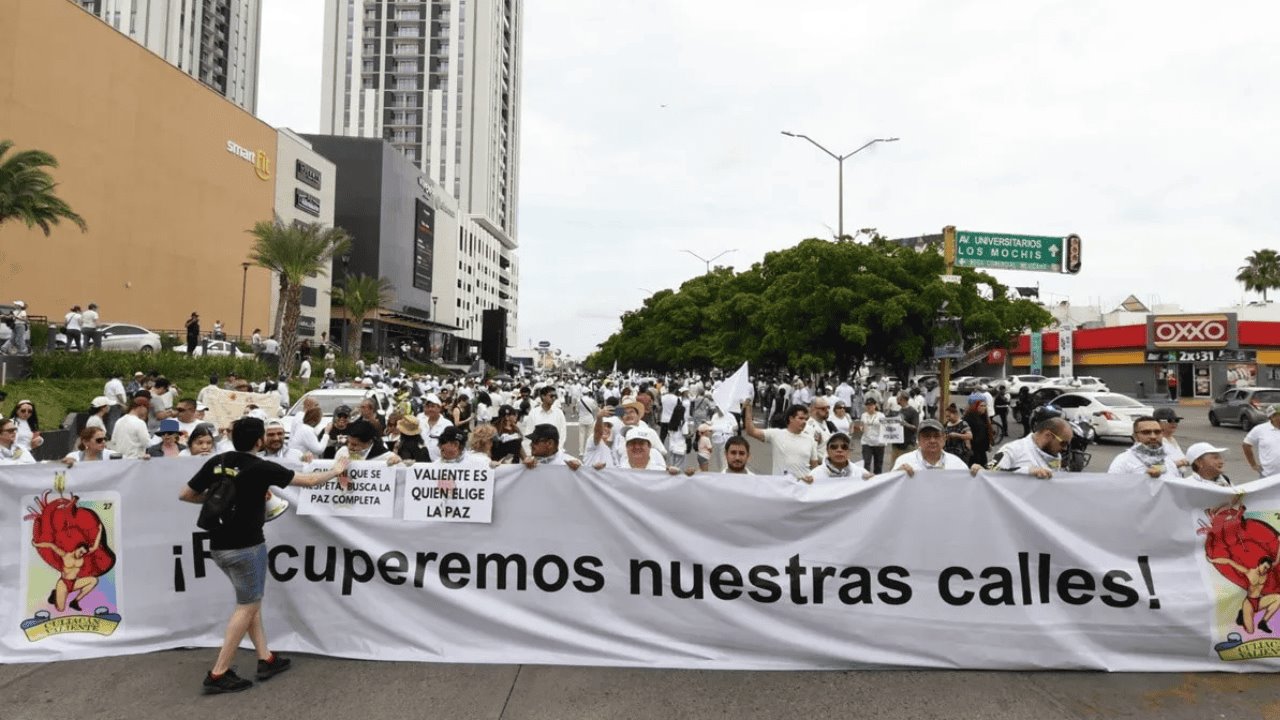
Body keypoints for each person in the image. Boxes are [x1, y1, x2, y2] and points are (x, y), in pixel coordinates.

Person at [179, 417, 351, 694]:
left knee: (250, 601)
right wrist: (337, 469)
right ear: (259, 441)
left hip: (218, 546)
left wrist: (215, 498)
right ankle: (219, 672)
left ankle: (266, 658)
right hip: (247, 547)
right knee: (247, 606)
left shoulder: (218, 461)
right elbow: (308, 480)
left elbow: (186, 494)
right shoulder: (261, 467)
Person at [32, 524, 104, 612]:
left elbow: (95, 547)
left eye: (83, 553)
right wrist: (36, 544)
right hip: (63, 583)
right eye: (81, 552)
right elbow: (51, 546)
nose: (81, 554)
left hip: (74, 583)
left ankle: (75, 601)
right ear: (77, 548)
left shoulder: (81, 556)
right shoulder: (65, 555)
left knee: (94, 580)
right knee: (60, 609)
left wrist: (100, 531)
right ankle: (55, 593)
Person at [740, 401, 820, 479]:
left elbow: (815, 468)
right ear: (791, 418)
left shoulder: (810, 440)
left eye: (806, 419)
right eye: (801, 418)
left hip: (802, 487)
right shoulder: (776, 434)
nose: (804, 422)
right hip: (780, 486)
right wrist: (748, 409)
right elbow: (751, 431)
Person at [1207, 555, 1279, 635]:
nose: (1265, 570)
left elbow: (1276, 561)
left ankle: (1263, 622)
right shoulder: (1249, 572)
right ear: (1259, 564)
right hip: (1249, 603)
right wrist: (1212, 561)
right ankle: (1242, 614)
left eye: (1268, 569)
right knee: (1250, 631)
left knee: (1278, 598)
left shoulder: (1266, 573)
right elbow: (1229, 562)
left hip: (1259, 601)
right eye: (1265, 567)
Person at [989, 415, 1074, 478]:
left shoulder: (1055, 455)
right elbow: (990, 473)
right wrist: (1027, 471)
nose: (1065, 448)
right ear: (1048, 435)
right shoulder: (1011, 449)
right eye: (1063, 443)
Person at [893, 419, 977, 476]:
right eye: (927, 436)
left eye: (937, 436)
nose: (932, 440)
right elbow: (890, 491)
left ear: (944, 439)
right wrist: (897, 476)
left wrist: (979, 476)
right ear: (918, 440)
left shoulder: (957, 464)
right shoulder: (904, 461)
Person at [1109, 416, 1181, 480]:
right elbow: (1113, 488)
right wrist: (1143, 478)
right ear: (1135, 437)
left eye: (1157, 432)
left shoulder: (1168, 461)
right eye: (1146, 432)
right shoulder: (1123, 461)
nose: (1153, 436)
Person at [335, 419, 400, 464]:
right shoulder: (342, 452)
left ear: (369, 442)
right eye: (348, 442)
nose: (349, 447)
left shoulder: (387, 458)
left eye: (354, 445)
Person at [1243, 404, 1280, 479]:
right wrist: (1253, 465)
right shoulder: (1260, 429)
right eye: (1278, 415)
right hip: (1268, 476)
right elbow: (1246, 445)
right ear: (1272, 417)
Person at [854, 398, 887, 474]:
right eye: (867, 405)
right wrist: (858, 428)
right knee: (866, 463)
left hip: (879, 443)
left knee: (878, 464)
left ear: (875, 405)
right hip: (866, 442)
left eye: (871, 405)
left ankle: (877, 480)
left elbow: (886, 427)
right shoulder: (863, 415)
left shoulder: (881, 415)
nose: (869, 407)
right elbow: (862, 427)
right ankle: (866, 481)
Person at [1153, 407, 1189, 475]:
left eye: (1176, 420)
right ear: (1157, 422)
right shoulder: (1155, 442)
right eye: (1169, 420)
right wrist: (1181, 463)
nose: (1174, 423)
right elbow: (1156, 468)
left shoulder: (1171, 439)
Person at [962, 395, 994, 469]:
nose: (984, 408)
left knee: (984, 468)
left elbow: (985, 432)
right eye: (981, 405)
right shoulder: (968, 418)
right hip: (974, 451)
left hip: (981, 450)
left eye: (985, 405)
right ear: (974, 406)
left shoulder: (982, 416)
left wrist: (988, 444)